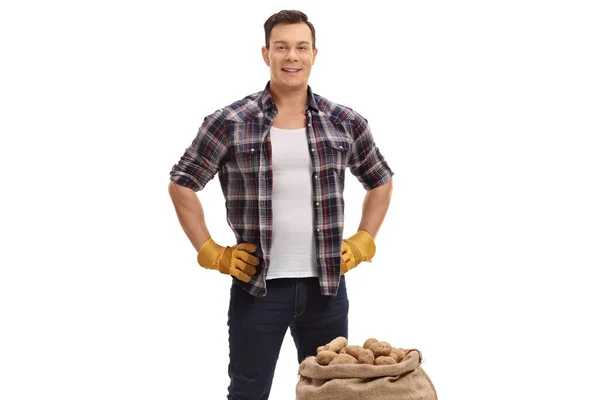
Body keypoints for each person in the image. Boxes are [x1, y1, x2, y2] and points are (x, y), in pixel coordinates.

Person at [168, 9, 394, 400]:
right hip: (258, 289)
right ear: (266, 53)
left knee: (332, 393)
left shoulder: (344, 122)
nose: (292, 56)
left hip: (326, 287)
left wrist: (363, 241)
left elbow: (380, 181)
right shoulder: (230, 122)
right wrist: (211, 251)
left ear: (314, 54)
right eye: (282, 47)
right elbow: (182, 184)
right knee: (249, 391)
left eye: (301, 47)